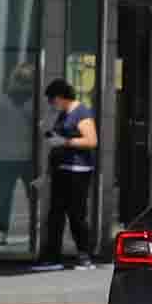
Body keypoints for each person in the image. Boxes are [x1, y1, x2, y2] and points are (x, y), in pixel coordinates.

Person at [42, 78, 101, 264]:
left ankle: (84, 253)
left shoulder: (81, 112)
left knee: (76, 214)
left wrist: (65, 142)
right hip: (62, 169)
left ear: (60, 97)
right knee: (56, 214)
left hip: (78, 171)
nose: (52, 105)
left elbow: (92, 140)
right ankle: (52, 255)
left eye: (52, 100)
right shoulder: (63, 113)